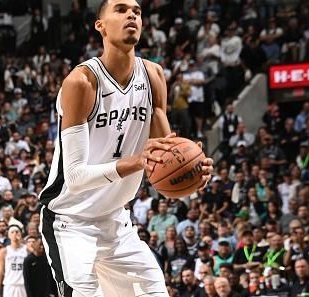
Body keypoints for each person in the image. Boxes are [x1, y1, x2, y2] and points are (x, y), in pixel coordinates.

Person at [38, 1, 214, 296]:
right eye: (120, 9)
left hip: (116, 221)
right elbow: (76, 177)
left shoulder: (154, 76)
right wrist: (136, 162)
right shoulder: (81, 82)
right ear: (100, 25)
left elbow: (164, 157)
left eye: (137, 11)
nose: (132, 14)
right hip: (70, 221)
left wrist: (194, 169)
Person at [0, 225, 27, 297]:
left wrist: (22, 241)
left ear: (21, 234)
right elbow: (0, 272)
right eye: (12, 232)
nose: (15, 233)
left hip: (24, 285)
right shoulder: (4, 251)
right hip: (9, 285)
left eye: (17, 231)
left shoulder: (27, 249)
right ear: (9, 235)